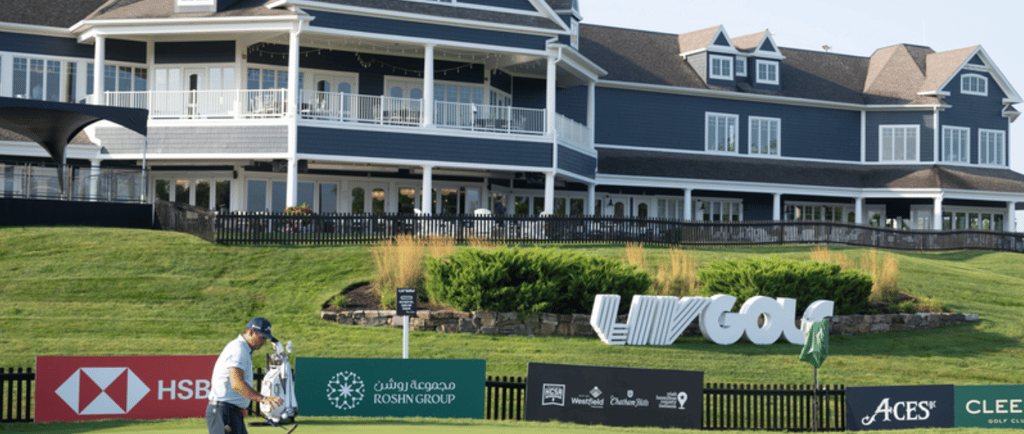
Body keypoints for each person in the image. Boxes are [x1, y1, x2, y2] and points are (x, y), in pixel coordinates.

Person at [207, 317, 284, 434]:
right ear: (251, 332)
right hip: (224, 412)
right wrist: (263, 399)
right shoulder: (238, 349)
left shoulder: (243, 349)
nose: (264, 342)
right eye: (262, 337)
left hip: (230, 412)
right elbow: (236, 383)